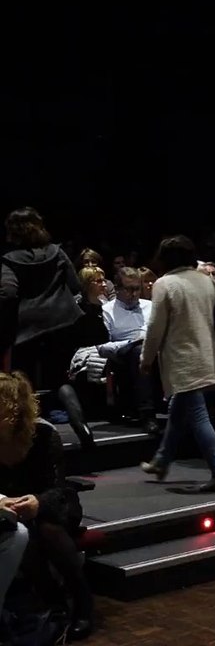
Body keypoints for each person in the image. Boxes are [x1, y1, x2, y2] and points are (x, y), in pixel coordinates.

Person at [0, 372, 93, 640]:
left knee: (47, 528)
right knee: (20, 532)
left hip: (53, 502)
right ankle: (54, 603)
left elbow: (58, 487)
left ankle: (82, 603)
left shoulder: (43, 433)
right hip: (8, 507)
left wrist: (38, 502)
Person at [139, 236, 215, 493]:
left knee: (198, 415)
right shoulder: (207, 280)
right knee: (180, 409)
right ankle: (161, 460)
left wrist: (146, 360)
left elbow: (155, 328)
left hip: (183, 360)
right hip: (208, 356)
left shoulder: (165, 284)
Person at [0, 207, 83, 393]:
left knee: (23, 379)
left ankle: (30, 420)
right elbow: (75, 285)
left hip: (26, 329)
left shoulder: (9, 259)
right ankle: (80, 423)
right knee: (60, 379)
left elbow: (8, 293)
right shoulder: (57, 252)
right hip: (61, 324)